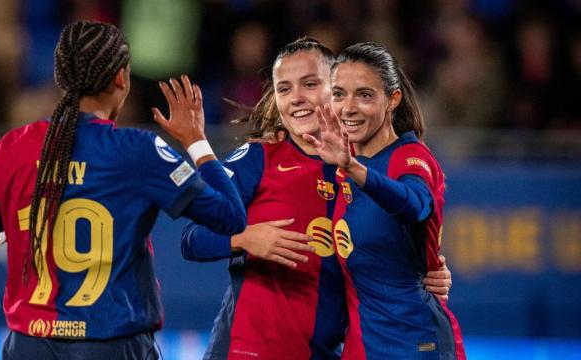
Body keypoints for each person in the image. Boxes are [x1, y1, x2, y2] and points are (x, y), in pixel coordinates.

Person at [0, 21, 246, 360]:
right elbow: (231, 217)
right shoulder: (138, 150)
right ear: (121, 77)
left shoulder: (11, 148)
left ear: (62, 76)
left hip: (28, 348)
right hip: (112, 346)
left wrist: (8, 230)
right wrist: (196, 141)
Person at [181, 38, 453, 360]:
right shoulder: (257, 159)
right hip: (244, 351)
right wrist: (244, 238)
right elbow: (191, 239)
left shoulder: (366, 173)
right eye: (284, 89)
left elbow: (399, 235)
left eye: (310, 84)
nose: (296, 99)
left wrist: (424, 271)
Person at [303, 42, 466, 359]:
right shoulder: (338, 166)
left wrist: (354, 168)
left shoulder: (410, 157)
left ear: (393, 100)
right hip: (361, 347)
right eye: (339, 94)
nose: (348, 107)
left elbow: (414, 205)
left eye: (364, 95)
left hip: (417, 344)